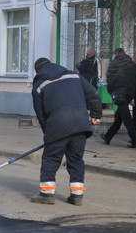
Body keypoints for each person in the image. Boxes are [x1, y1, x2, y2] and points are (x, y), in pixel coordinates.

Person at [30, 58, 102, 206]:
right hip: (80, 124)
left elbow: (41, 115)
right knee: (76, 159)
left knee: (51, 159)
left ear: (38, 71)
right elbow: (94, 94)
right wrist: (96, 115)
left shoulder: (38, 85)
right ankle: (77, 196)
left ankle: (47, 194)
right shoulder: (74, 75)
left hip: (57, 126)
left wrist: (47, 134)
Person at [101, 48, 136, 148]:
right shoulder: (131, 64)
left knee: (126, 118)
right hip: (128, 93)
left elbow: (109, 79)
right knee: (119, 117)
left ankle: (135, 141)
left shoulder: (114, 63)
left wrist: (111, 92)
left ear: (116, 54)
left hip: (119, 93)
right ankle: (107, 137)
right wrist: (134, 95)